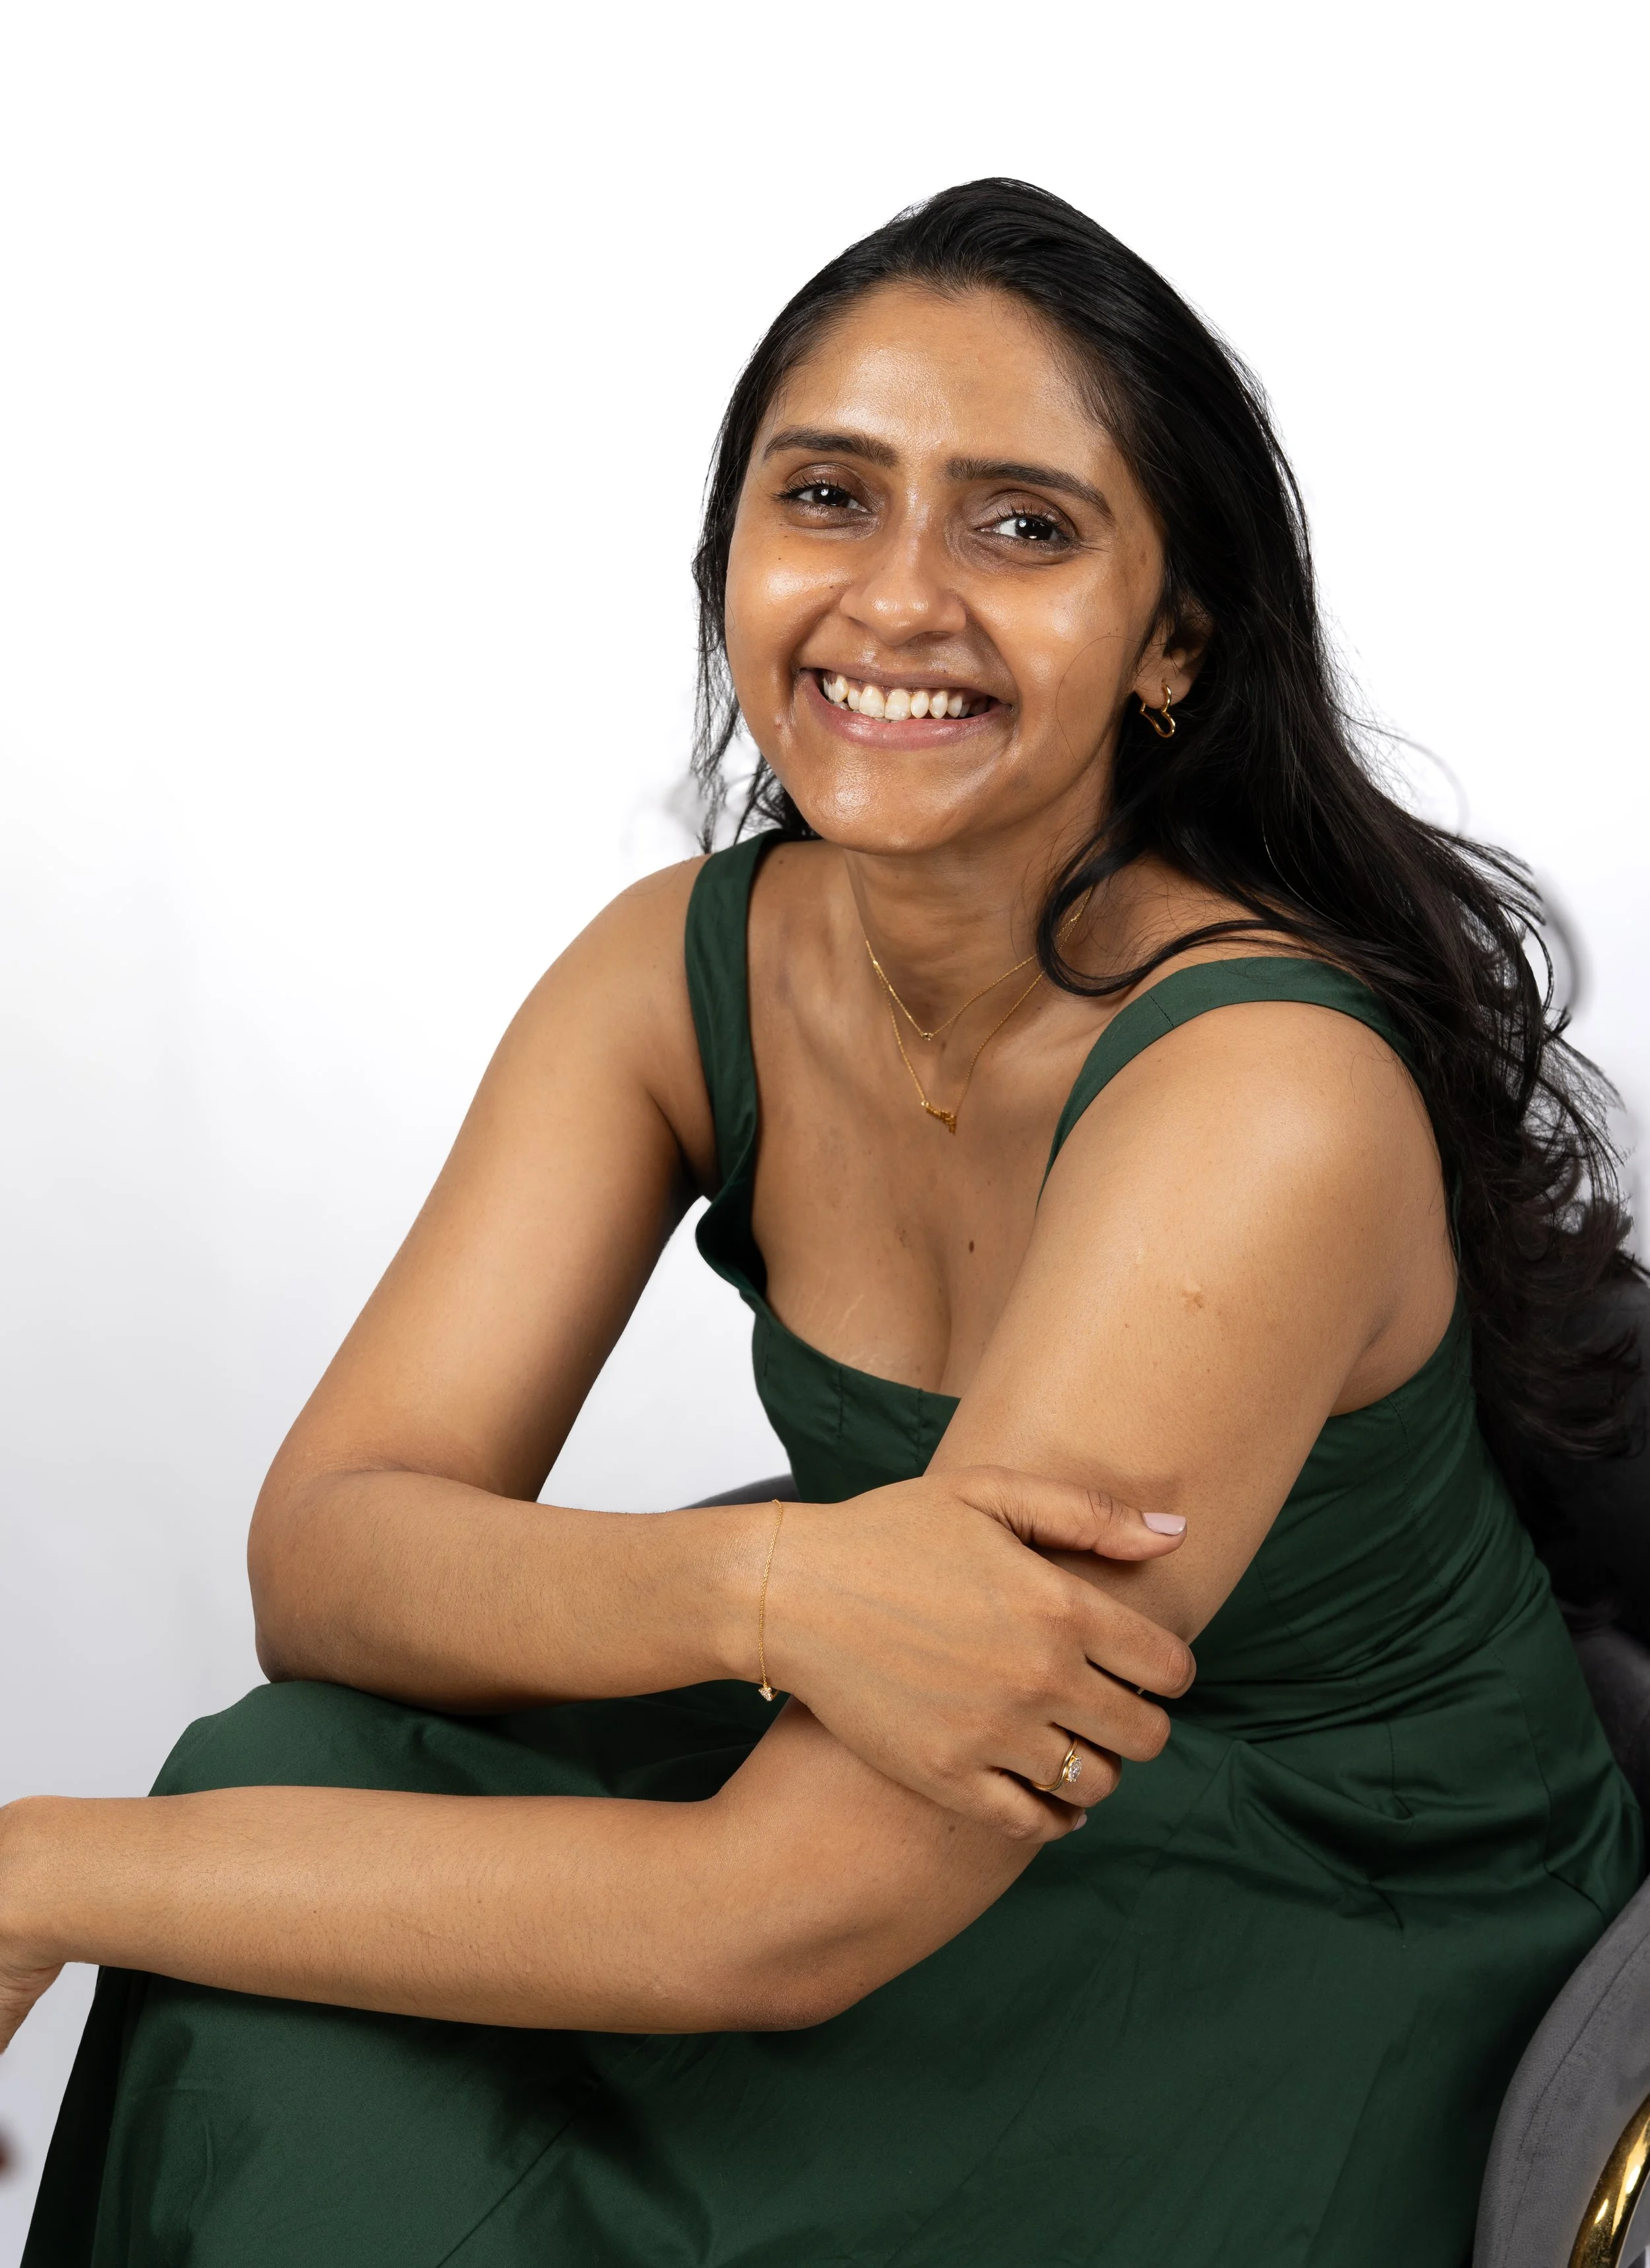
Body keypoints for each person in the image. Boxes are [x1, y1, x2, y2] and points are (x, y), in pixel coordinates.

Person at [5, 178, 1642, 2266]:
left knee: (277, 1980)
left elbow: (786, 1915)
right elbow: (325, 1559)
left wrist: (38, 1872)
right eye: (829, 496)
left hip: (1319, 1898)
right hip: (895, 1790)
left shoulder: (1256, 1098)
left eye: (1023, 524)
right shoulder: (676, 975)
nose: (899, 599)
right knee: (288, 1773)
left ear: (1174, 641)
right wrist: (775, 1592)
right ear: (731, 565)